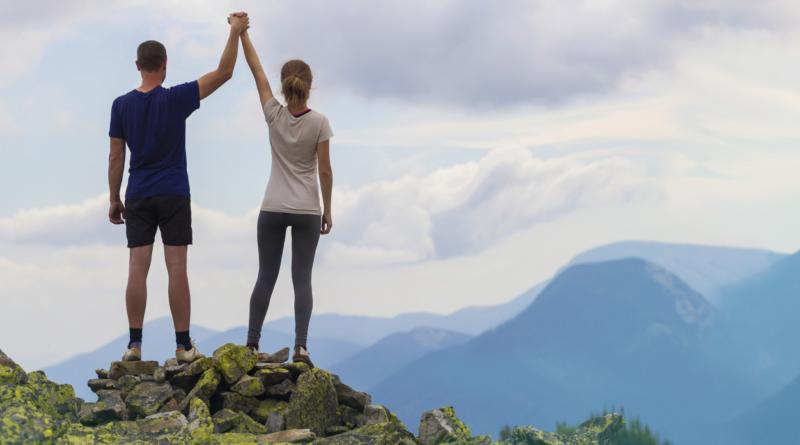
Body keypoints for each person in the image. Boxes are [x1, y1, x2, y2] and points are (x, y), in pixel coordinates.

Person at [107, 13, 250, 363]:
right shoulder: (175, 99)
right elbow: (225, 72)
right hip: (173, 190)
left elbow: (115, 158)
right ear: (165, 65)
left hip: (137, 192)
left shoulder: (121, 105)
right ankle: (184, 346)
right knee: (176, 267)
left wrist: (114, 198)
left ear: (138, 65)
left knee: (137, 268)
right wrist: (234, 32)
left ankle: (134, 346)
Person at [237, 17, 334, 369]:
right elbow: (324, 170)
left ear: (284, 84)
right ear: (310, 86)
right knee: (301, 279)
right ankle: (301, 348)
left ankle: (250, 344)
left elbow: (256, 70)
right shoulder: (319, 122)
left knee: (266, 275)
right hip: (307, 209)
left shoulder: (273, 114)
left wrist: (242, 33)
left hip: (273, 207)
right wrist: (327, 209)